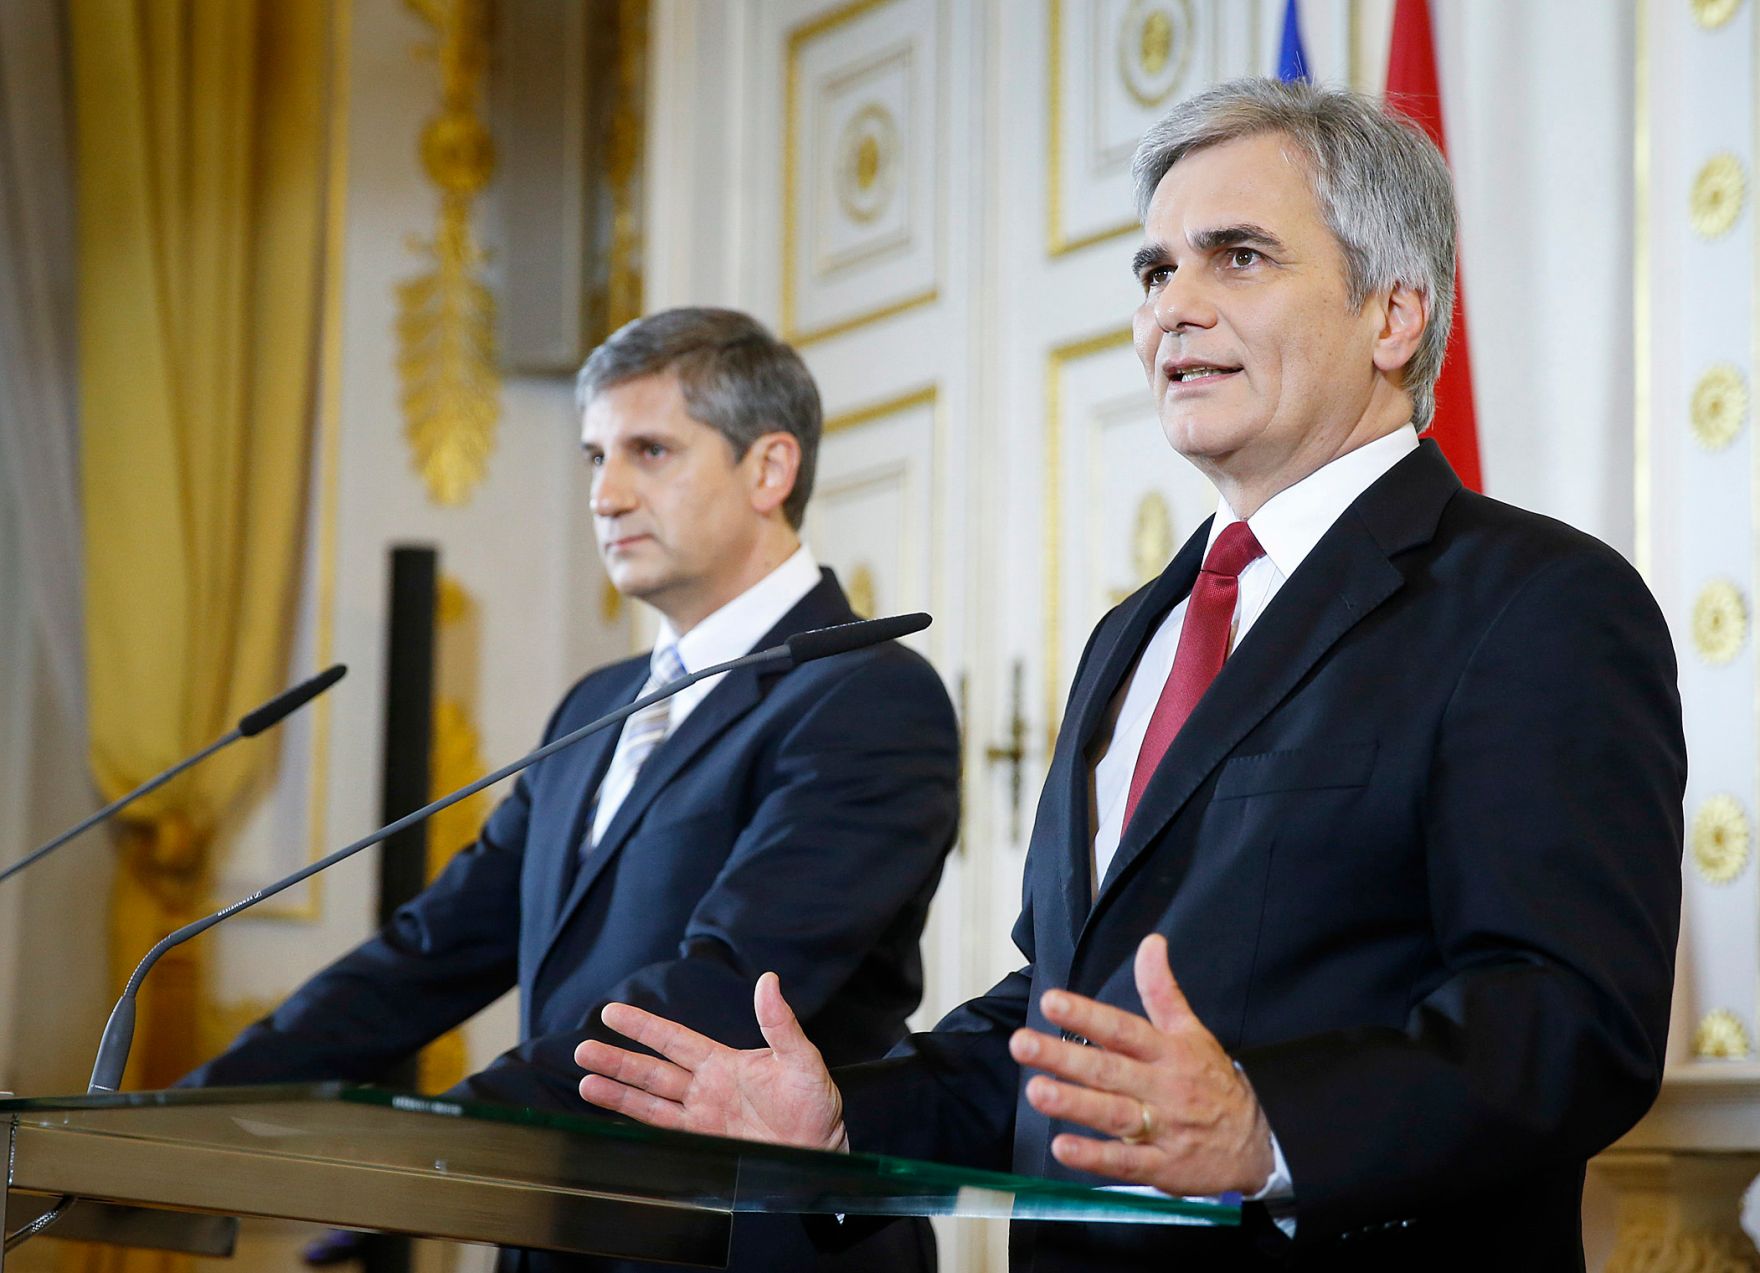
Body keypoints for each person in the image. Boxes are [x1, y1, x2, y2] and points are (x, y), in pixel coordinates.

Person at [573, 80, 1686, 1270]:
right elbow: (1058, 1011)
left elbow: (1569, 1020)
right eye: (1155, 272)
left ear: (1393, 315)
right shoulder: (1132, 635)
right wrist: (850, 1119)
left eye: (1237, 258)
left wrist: (1268, 1129)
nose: (1173, 312)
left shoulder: (1535, 601)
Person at [186, 307, 959, 1272]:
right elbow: (432, 951)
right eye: (595, 456)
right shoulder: (598, 702)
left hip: (742, 1244)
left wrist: (447, 1139)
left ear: (770, 469)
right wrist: (199, 1110)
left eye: (649, 450)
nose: (606, 493)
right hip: (556, 1236)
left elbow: (721, 989)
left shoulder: (868, 694)